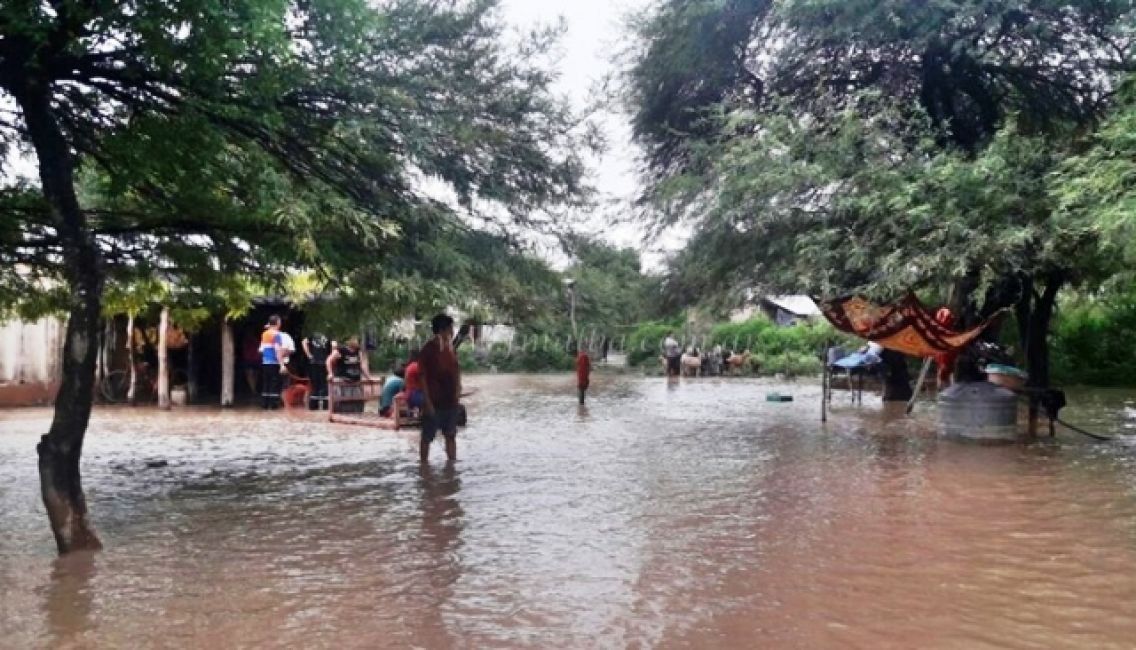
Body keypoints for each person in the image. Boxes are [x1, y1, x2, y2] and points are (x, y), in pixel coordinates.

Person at [418, 313, 462, 463]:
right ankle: (423, 467)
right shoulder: (428, 350)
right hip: (434, 400)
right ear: (442, 330)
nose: (452, 331)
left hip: (450, 400)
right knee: (427, 437)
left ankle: (452, 466)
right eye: (450, 328)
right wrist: (427, 402)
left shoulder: (450, 348)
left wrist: (458, 390)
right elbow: (422, 377)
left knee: (450, 435)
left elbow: (456, 369)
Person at [326, 336, 371, 413]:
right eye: (354, 339)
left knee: (357, 401)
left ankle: (356, 413)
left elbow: (362, 365)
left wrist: (368, 377)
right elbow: (328, 361)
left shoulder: (358, 351)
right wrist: (330, 373)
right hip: (343, 379)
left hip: (355, 380)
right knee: (341, 401)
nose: (356, 341)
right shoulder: (340, 350)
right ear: (348, 341)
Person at [302, 330, 332, 410]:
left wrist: (309, 356)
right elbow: (304, 342)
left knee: (317, 384)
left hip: (320, 362)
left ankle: (316, 406)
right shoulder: (314, 334)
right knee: (321, 384)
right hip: (318, 362)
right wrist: (309, 355)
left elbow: (304, 342)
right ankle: (322, 406)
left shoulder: (327, 334)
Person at [259, 315, 284, 409]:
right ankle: (273, 405)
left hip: (265, 362)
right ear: (277, 323)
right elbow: (278, 350)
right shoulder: (277, 335)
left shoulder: (264, 334)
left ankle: (264, 404)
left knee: (266, 383)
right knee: (274, 383)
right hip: (274, 363)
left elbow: (261, 350)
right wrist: (282, 365)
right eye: (280, 321)